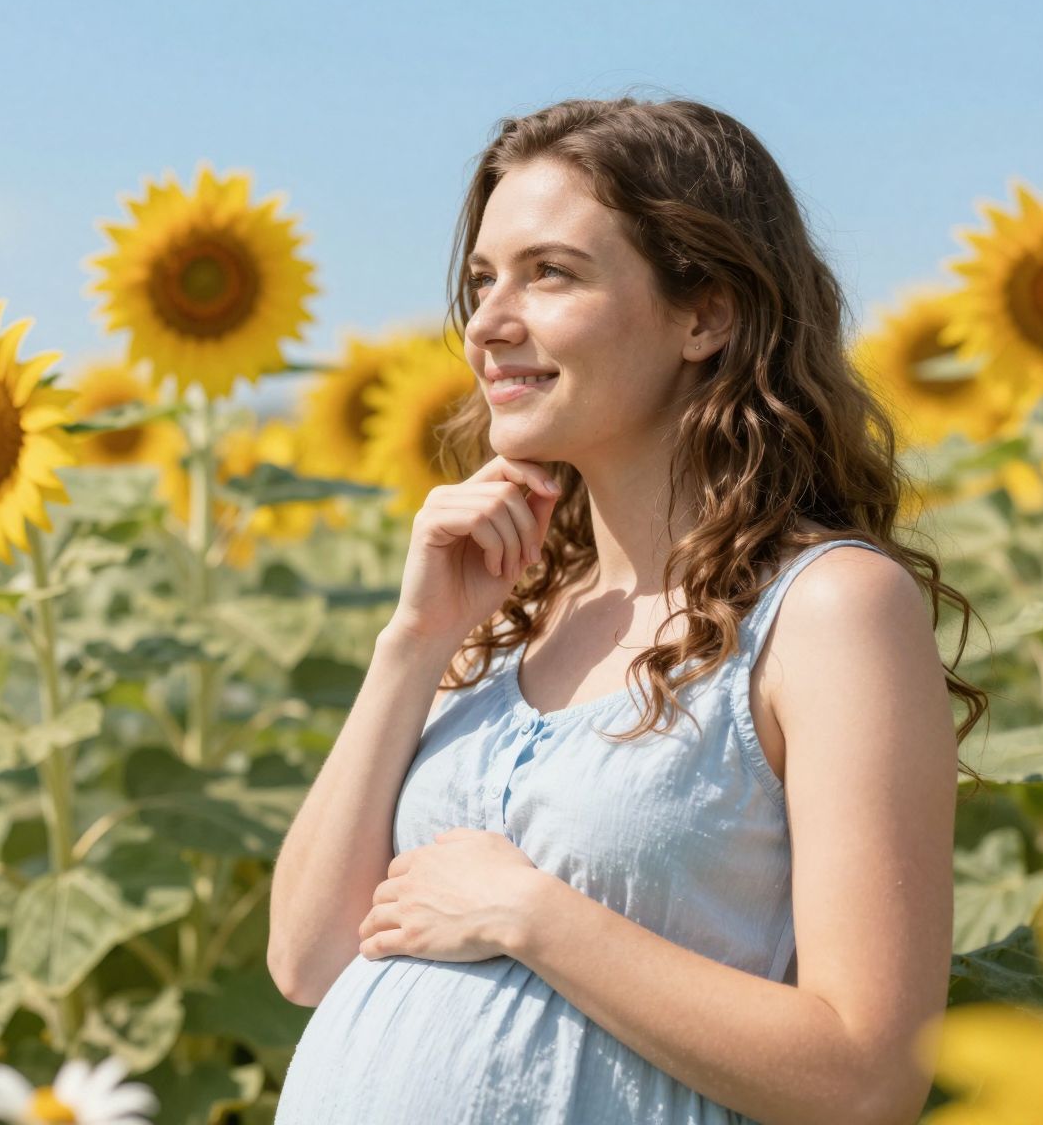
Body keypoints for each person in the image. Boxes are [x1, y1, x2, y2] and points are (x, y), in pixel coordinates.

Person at [266, 95, 988, 1125]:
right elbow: (305, 957)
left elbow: (865, 1078)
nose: (487, 326)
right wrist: (414, 643)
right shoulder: (508, 612)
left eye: (548, 273)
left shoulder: (827, 610)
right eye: (479, 282)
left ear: (706, 314)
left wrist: (529, 915)